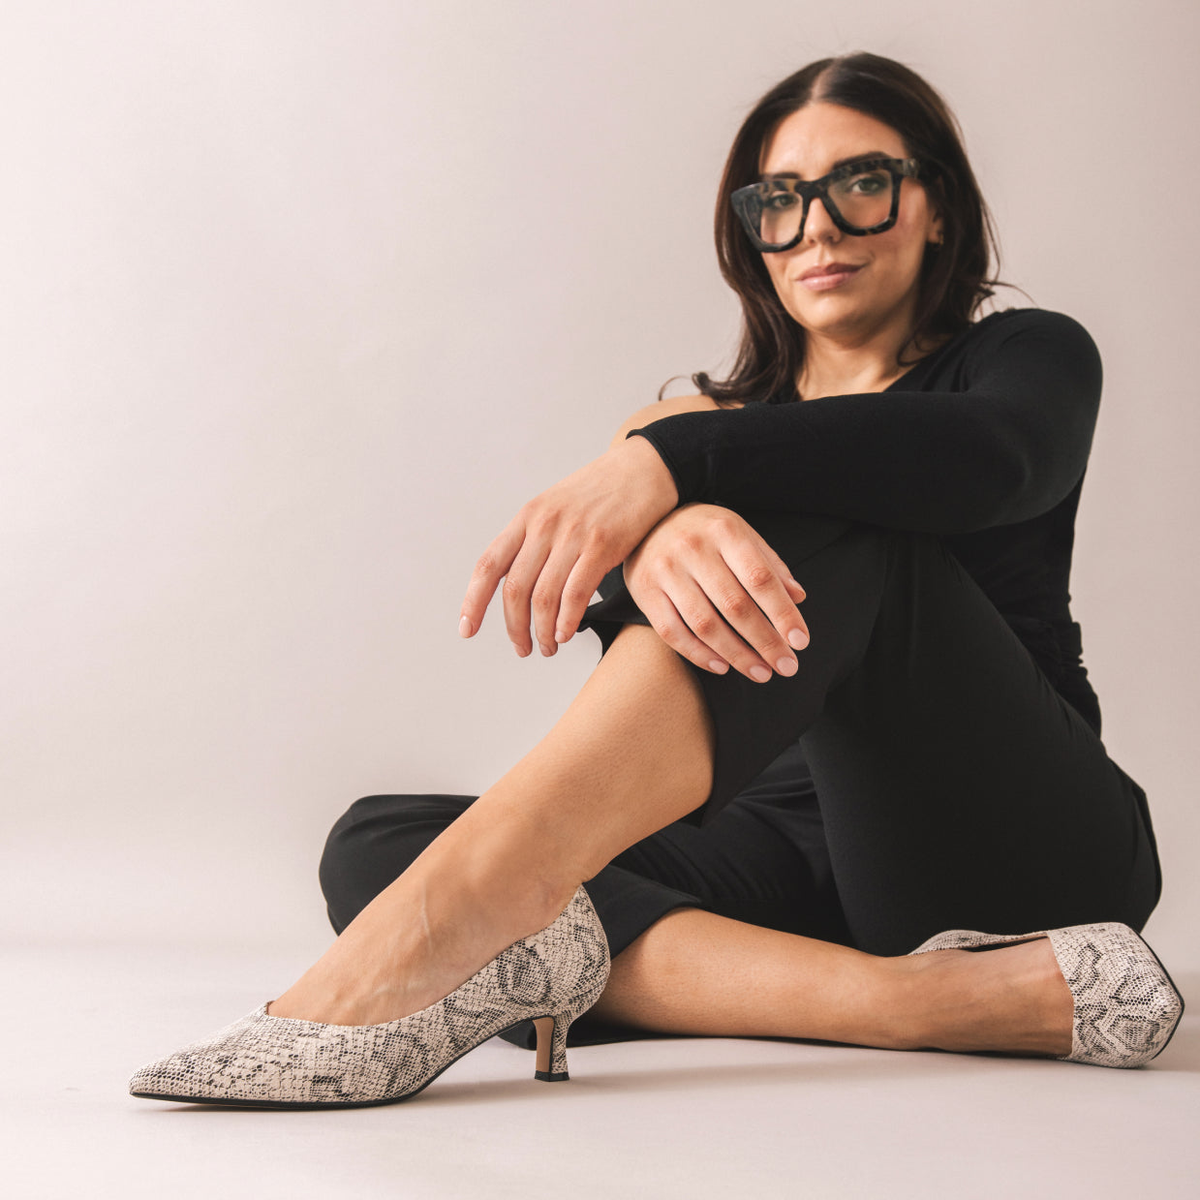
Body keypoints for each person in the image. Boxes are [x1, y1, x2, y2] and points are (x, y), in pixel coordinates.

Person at [128, 51, 1183, 1109]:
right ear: (753, 234)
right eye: (779, 201)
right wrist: (664, 499)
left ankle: (455, 925)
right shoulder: (693, 435)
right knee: (379, 842)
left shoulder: (1024, 359)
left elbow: (999, 457)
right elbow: (692, 489)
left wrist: (675, 468)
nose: (815, 227)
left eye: (861, 185)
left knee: (856, 535)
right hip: (783, 854)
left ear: (937, 206)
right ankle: (919, 1003)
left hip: (1017, 840)